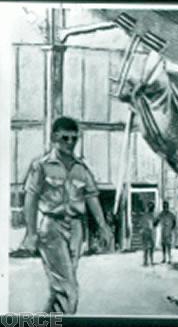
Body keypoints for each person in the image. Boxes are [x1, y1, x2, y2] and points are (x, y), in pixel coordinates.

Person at [20, 116, 113, 314]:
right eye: (65, 138)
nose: (70, 143)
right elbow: (30, 199)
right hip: (52, 228)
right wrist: (31, 232)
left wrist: (103, 227)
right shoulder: (42, 166)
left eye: (74, 139)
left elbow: (92, 197)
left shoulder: (81, 168)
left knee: (60, 287)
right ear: (54, 137)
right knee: (68, 290)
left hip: (77, 229)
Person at [141, 201, 156, 266]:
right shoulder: (151, 215)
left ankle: (145, 261)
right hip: (148, 232)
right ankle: (151, 261)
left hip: (144, 232)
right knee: (151, 247)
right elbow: (151, 225)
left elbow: (141, 223)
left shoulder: (144, 215)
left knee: (145, 247)